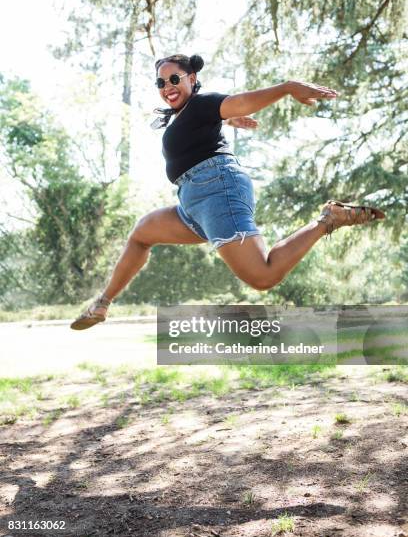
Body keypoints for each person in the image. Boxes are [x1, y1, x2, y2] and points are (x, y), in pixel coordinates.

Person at [70, 54, 385, 330]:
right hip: (193, 203)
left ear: (192, 78)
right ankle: (102, 303)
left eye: (175, 78)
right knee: (142, 233)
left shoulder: (204, 104)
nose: (168, 87)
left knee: (263, 276)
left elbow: (242, 101)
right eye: (161, 82)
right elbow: (209, 124)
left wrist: (288, 87)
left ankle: (328, 219)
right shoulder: (191, 114)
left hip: (218, 190)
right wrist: (226, 120)